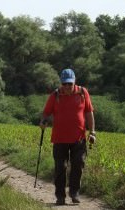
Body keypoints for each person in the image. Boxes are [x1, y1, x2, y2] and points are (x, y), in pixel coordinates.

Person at [39, 68, 96, 205]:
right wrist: (43, 122)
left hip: (79, 138)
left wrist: (92, 132)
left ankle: (74, 193)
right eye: (64, 84)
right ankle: (60, 196)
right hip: (59, 139)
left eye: (69, 84)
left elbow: (89, 113)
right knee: (60, 167)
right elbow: (46, 113)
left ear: (74, 82)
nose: (67, 87)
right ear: (61, 83)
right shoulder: (55, 95)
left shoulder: (83, 93)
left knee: (78, 165)